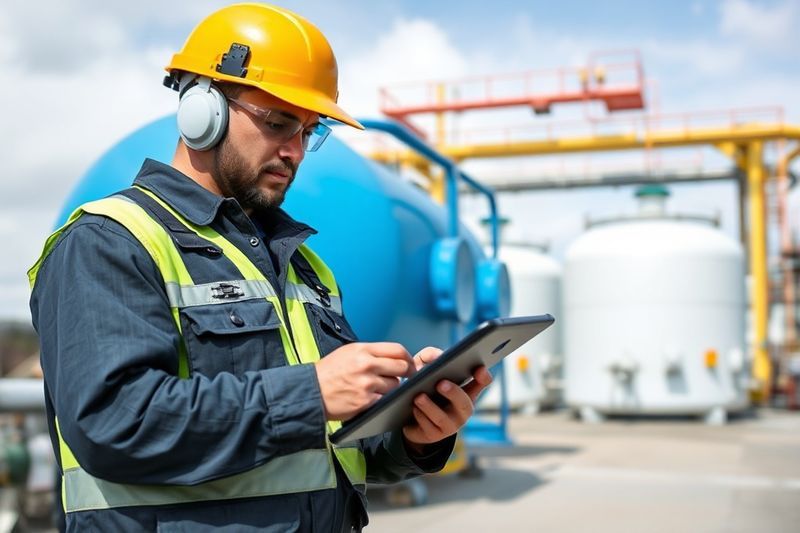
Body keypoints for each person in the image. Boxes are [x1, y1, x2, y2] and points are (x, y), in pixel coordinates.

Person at [28, 4, 492, 532]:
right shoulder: (110, 242)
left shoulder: (302, 265)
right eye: (277, 123)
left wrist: (414, 437)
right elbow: (114, 425)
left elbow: (331, 455)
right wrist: (310, 393)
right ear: (202, 109)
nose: (294, 151)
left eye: (309, 131)